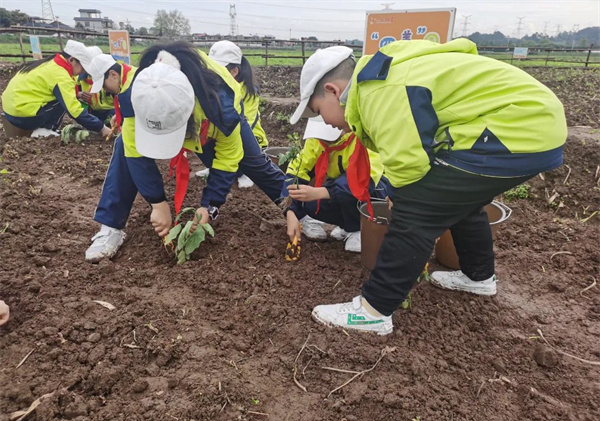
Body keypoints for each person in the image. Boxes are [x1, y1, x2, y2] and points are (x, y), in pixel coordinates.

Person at [289, 40, 567, 335]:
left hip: (518, 126)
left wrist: (400, 204)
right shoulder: (383, 77)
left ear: (333, 91)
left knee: (417, 210)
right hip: (536, 124)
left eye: (318, 111)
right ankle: (479, 277)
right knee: (458, 199)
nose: (324, 122)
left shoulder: (379, 93)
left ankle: (374, 310)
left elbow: (409, 168)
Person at [85, 41, 284, 263]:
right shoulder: (139, 94)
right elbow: (134, 152)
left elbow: (228, 158)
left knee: (254, 162)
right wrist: (157, 203)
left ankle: (298, 209)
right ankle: (111, 227)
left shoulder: (221, 106)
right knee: (124, 146)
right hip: (177, 115)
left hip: (211, 114)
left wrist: (209, 206)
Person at [283, 116, 390, 252]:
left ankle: (358, 229)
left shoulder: (363, 138)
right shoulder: (318, 140)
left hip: (375, 187)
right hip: (340, 186)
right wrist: (291, 210)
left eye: (328, 140)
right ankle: (346, 225)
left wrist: (320, 192)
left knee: (348, 191)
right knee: (312, 204)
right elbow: (298, 169)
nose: (325, 143)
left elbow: (363, 180)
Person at [1, 40, 111, 138]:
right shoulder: (61, 76)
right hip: (23, 116)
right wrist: (101, 127)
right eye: (83, 67)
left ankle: (45, 129)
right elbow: (74, 111)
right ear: (71, 60)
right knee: (63, 99)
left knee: (63, 96)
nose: (83, 71)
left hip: (9, 110)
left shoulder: (50, 63)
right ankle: (46, 129)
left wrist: (78, 94)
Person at [201, 40, 269, 189]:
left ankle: (245, 173)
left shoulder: (248, 91)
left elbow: (247, 122)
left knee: (236, 140)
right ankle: (214, 167)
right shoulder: (215, 87)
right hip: (224, 135)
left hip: (248, 137)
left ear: (234, 72)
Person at [76, 46, 115, 123]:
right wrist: (79, 94)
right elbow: (70, 93)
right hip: (92, 111)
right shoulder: (80, 77)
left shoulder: (109, 76)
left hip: (112, 111)